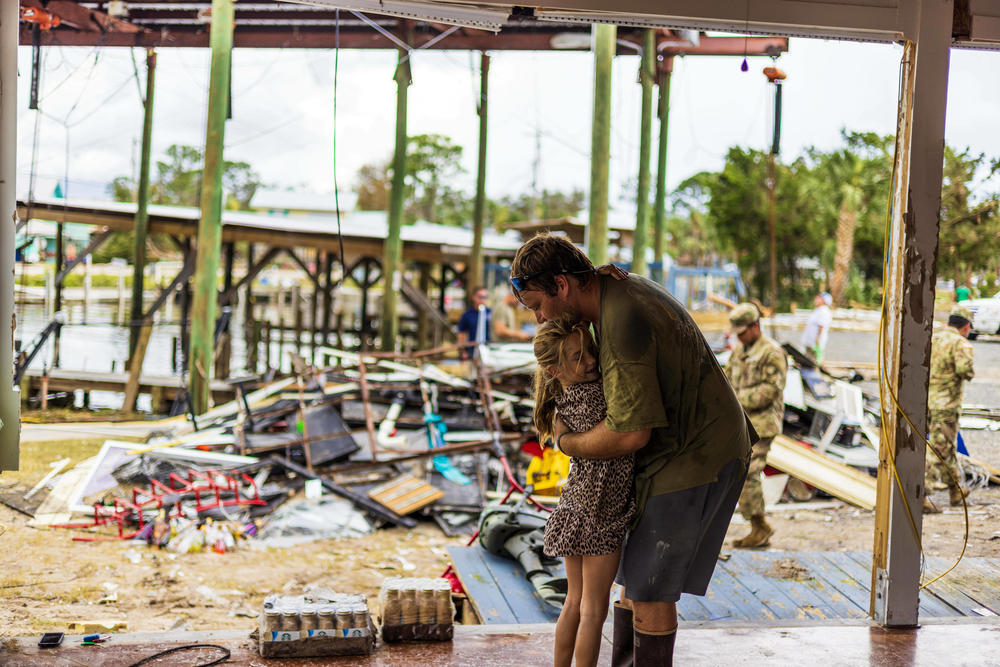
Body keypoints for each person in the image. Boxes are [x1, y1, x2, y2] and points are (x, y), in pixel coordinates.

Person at [509, 234, 755, 666]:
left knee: (649, 589)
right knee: (631, 578)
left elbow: (630, 435)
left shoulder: (621, 322)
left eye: (536, 305)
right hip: (670, 451)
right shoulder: (611, 290)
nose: (538, 317)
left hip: (694, 455)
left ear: (562, 285)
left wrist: (567, 443)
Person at [533, 316, 634, 667]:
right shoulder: (599, 395)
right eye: (578, 357)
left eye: (590, 350)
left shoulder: (564, 398)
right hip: (601, 509)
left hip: (574, 505)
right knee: (594, 610)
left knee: (573, 602)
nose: (590, 360)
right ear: (554, 369)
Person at [724, 303, 787, 549]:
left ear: (755, 326)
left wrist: (735, 399)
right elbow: (727, 377)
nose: (739, 336)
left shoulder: (771, 353)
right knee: (740, 472)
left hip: (762, 424)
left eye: (742, 331)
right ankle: (758, 524)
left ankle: (759, 526)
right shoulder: (739, 351)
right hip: (742, 423)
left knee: (748, 472)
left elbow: (771, 391)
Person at [925, 304, 975, 511]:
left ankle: (955, 490)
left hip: (928, 402)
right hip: (946, 405)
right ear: (966, 326)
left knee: (947, 446)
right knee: (939, 449)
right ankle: (921, 493)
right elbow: (966, 371)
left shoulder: (933, 338)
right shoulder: (960, 344)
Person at [456, 286, 491, 358]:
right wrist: (463, 352)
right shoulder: (467, 315)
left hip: (488, 350)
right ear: (474, 297)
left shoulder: (489, 313)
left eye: (485, 297)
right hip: (471, 350)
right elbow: (461, 334)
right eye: (480, 297)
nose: (482, 300)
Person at [801, 291, 833, 363]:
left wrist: (817, 343)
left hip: (815, 343)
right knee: (807, 361)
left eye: (819, 298)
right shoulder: (817, 310)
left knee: (813, 362)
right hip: (810, 342)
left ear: (824, 301)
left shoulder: (824, 311)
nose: (816, 299)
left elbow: (821, 327)